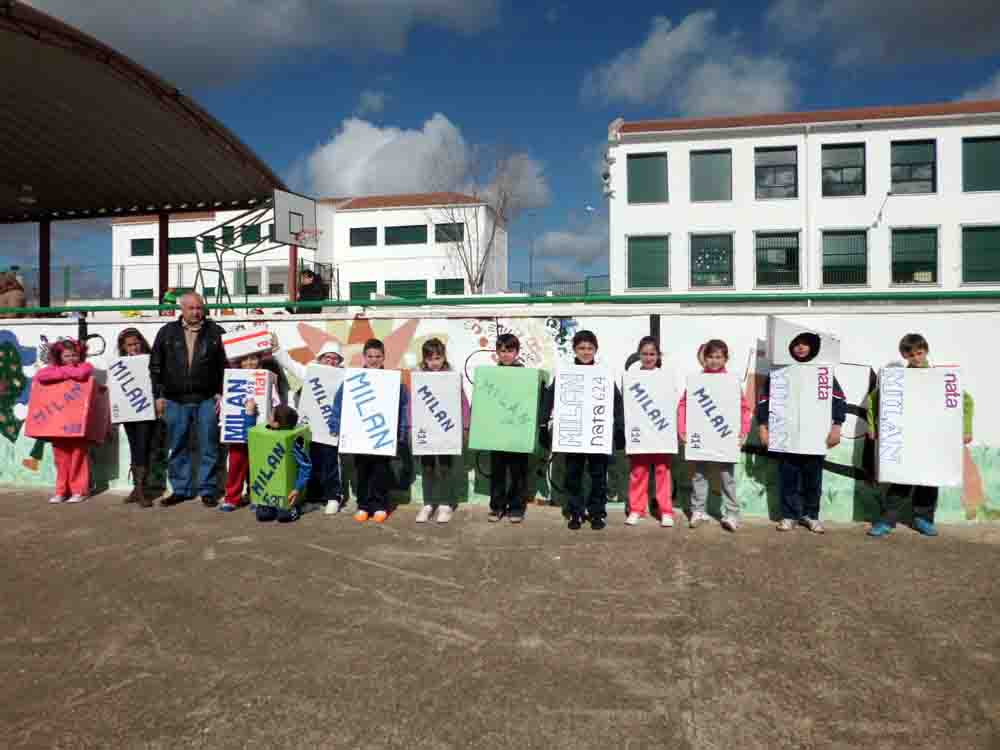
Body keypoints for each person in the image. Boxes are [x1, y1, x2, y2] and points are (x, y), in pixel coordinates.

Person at [867, 333, 974, 538]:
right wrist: (873, 426)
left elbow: (966, 402)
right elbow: (873, 400)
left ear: (926, 351)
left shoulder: (941, 378)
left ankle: (923, 519)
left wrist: (966, 429)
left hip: (933, 439)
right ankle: (887, 521)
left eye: (919, 352)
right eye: (910, 353)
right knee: (900, 481)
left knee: (929, 479)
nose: (916, 357)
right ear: (903, 355)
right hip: (906, 439)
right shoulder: (896, 379)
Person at [755, 333, 847, 534]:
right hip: (786, 439)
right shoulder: (779, 372)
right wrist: (763, 427)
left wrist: (837, 427)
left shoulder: (824, 372)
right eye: (795, 343)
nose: (800, 347)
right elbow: (764, 401)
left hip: (815, 440)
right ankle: (789, 516)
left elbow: (839, 400)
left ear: (812, 347)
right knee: (788, 480)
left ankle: (811, 515)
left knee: (813, 481)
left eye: (804, 344)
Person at [149, 292, 228, 507]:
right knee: (178, 445)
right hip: (175, 399)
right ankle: (181, 489)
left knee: (209, 445)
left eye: (199, 308)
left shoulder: (216, 332)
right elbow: (155, 366)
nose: (196, 312)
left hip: (206, 398)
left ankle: (208, 490)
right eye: (191, 308)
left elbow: (225, 366)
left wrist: (221, 392)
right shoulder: (167, 332)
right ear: (181, 309)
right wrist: (158, 395)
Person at [543, 330, 624, 531]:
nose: (586, 352)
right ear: (574, 349)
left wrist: (620, 427)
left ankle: (597, 513)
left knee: (598, 475)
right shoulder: (566, 372)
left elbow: (617, 401)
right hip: (574, 434)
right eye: (581, 348)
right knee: (574, 474)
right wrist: (543, 423)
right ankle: (575, 512)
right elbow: (550, 397)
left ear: (595, 350)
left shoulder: (603, 373)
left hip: (597, 434)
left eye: (589, 348)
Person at [330, 338, 409, 524]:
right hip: (360, 435)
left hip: (383, 435)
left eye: (378, 356)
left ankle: (380, 505)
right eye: (370, 356)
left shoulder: (393, 381)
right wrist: (335, 426)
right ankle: (364, 505)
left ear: (384, 358)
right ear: (364, 357)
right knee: (362, 470)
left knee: (381, 470)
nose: (374, 360)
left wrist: (402, 431)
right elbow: (339, 403)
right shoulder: (354, 379)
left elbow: (403, 405)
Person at [678, 339, 751, 532]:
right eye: (710, 356)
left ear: (725, 359)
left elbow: (743, 409)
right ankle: (698, 511)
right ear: (704, 358)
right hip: (700, 437)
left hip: (725, 437)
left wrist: (743, 431)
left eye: (718, 357)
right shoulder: (696, 381)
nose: (714, 361)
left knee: (727, 477)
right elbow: (684, 405)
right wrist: (682, 428)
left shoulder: (731, 381)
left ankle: (732, 514)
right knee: (699, 475)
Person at [272, 335, 346, 514]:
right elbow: (290, 365)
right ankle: (312, 498)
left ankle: (333, 497)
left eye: (335, 358)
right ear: (320, 358)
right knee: (309, 463)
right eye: (327, 357)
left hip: (330, 430)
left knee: (330, 464)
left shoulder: (345, 377)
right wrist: (276, 349)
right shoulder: (310, 372)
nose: (331, 361)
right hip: (308, 428)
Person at [413, 338, 469, 524]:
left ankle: (446, 504)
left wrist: (465, 425)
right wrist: (410, 428)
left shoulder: (452, 377)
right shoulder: (418, 378)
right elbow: (413, 405)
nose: (434, 362)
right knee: (427, 468)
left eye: (438, 357)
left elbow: (462, 402)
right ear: (424, 359)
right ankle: (429, 503)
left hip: (447, 431)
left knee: (445, 468)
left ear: (444, 357)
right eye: (430, 358)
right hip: (425, 432)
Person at [625, 336, 675, 528]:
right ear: (639, 355)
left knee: (663, 472)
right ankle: (637, 509)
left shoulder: (666, 376)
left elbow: (671, 403)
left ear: (658, 355)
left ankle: (666, 511)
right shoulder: (631, 377)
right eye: (644, 354)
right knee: (639, 472)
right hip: (640, 434)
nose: (648, 357)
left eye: (652, 354)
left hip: (661, 432)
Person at [36, 339, 94, 504]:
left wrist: (63, 372)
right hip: (57, 422)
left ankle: (79, 490)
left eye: (74, 355)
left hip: (77, 422)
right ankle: (61, 491)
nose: (71, 359)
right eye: (66, 356)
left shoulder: (85, 366)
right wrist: (66, 372)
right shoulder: (52, 369)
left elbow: (82, 374)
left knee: (78, 456)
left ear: (80, 355)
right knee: (60, 459)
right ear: (59, 357)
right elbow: (41, 376)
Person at [487, 333, 533, 523]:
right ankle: (497, 506)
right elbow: (484, 403)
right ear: (497, 352)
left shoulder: (526, 374)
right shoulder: (490, 375)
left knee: (518, 472)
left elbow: (530, 400)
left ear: (517, 352)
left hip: (518, 431)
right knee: (497, 471)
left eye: (510, 351)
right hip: (496, 432)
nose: (505, 355)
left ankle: (516, 507)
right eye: (502, 351)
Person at [116, 327, 158, 507]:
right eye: (130, 345)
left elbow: (157, 382)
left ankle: (142, 489)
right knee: (135, 446)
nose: (134, 347)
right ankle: (137, 488)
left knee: (143, 446)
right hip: (128, 412)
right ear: (123, 347)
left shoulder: (151, 360)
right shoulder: (119, 364)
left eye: (136, 343)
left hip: (145, 411)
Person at [250, 404, 312, 523]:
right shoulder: (265, 436)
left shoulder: (293, 443)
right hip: (269, 490)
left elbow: (306, 466)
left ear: (277, 424)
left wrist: (297, 489)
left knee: (284, 516)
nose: (269, 417)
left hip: (288, 492)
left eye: (271, 415)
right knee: (263, 515)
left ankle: (300, 508)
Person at [219, 351, 265, 512]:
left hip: (259, 430)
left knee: (258, 465)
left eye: (253, 358)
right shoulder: (232, 379)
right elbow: (227, 403)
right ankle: (232, 498)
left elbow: (274, 401)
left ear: (259, 360)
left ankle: (257, 497)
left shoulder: (266, 378)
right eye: (245, 360)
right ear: (239, 363)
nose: (249, 363)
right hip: (237, 430)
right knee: (236, 464)